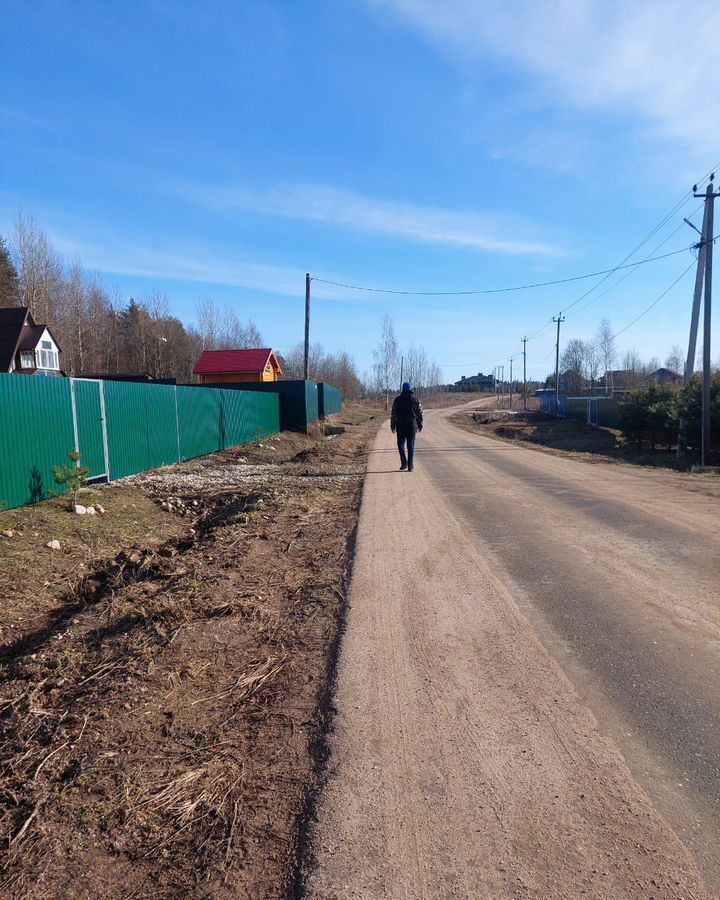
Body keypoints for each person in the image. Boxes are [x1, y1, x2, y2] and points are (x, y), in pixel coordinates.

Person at [390, 382, 423, 471]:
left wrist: (393, 425)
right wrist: (420, 424)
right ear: (411, 388)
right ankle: (410, 465)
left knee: (400, 444)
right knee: (411, 445)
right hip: (412, 425)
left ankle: (404, 462)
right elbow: (419, 413)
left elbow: (393, 413)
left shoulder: (397, 400)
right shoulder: (416, 399)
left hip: (401, 425)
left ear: (402, 389)